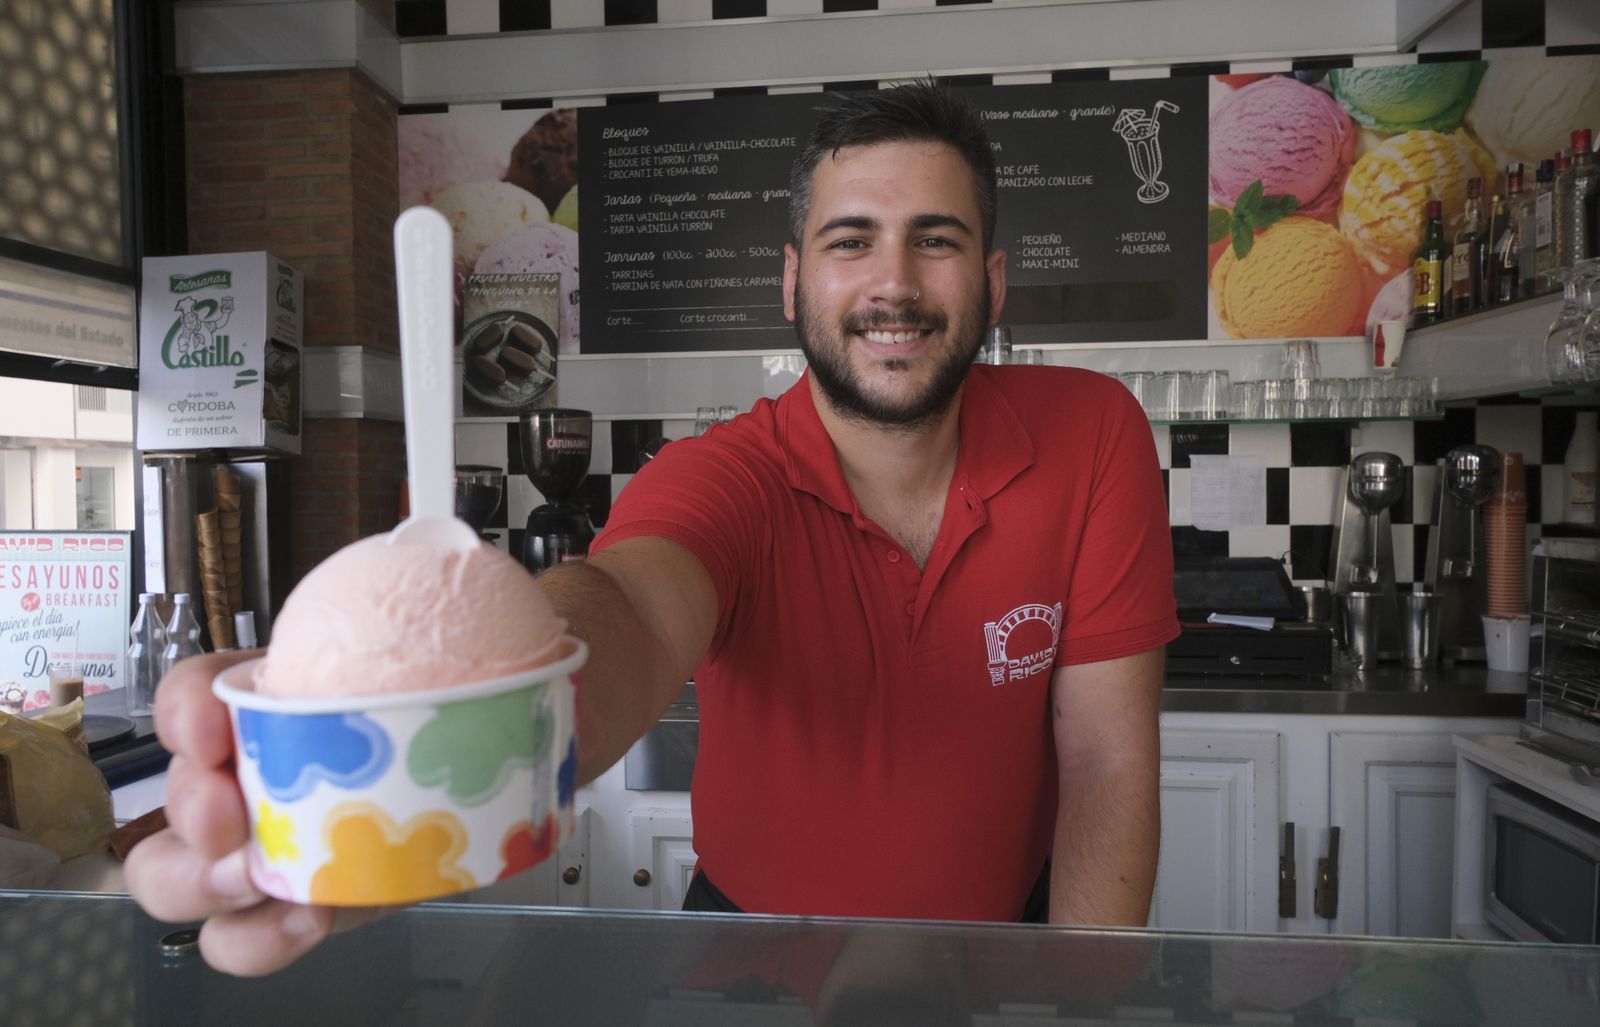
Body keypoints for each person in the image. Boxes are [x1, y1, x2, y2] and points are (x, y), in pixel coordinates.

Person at [126, 80, 1177, 976]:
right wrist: (441, 736)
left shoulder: (1091, 436)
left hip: (1000, 957)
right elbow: (622, 603)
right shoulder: (722, 476)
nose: (893, 283)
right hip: (754, 967)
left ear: (991, 282)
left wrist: (1078, 993)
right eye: (850, 242)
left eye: (935, 241)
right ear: (792, 280)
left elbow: (1104, 763)